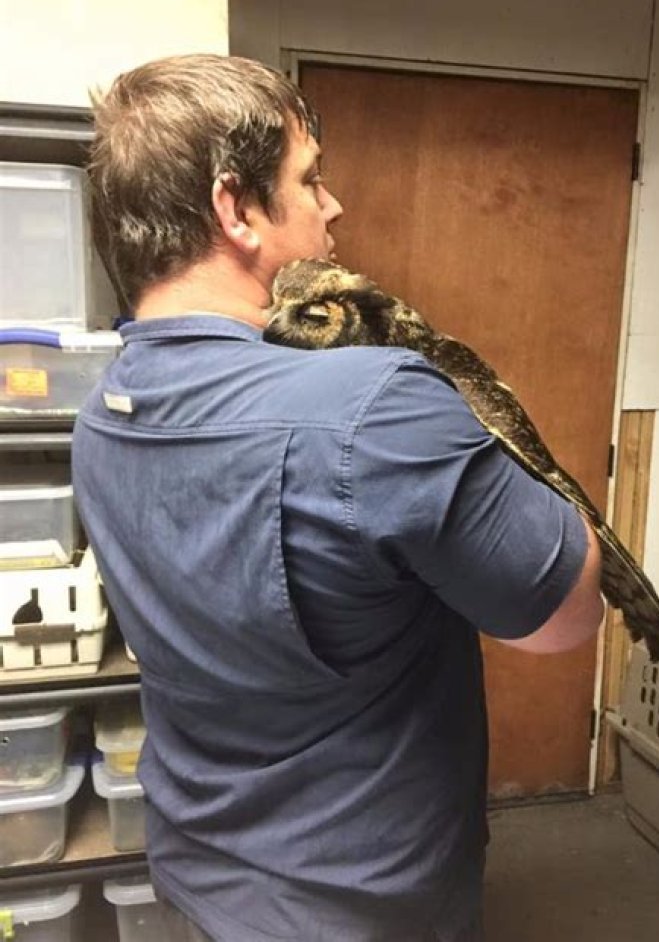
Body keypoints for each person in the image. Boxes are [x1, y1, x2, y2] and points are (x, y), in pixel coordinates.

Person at [72, 54, 604, 942]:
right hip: (358, 908)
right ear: (235, 208)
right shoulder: (373, 407)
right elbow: (565, 616)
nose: (333, 207)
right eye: (310, 180)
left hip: (200, 877)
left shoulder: (102, 419)